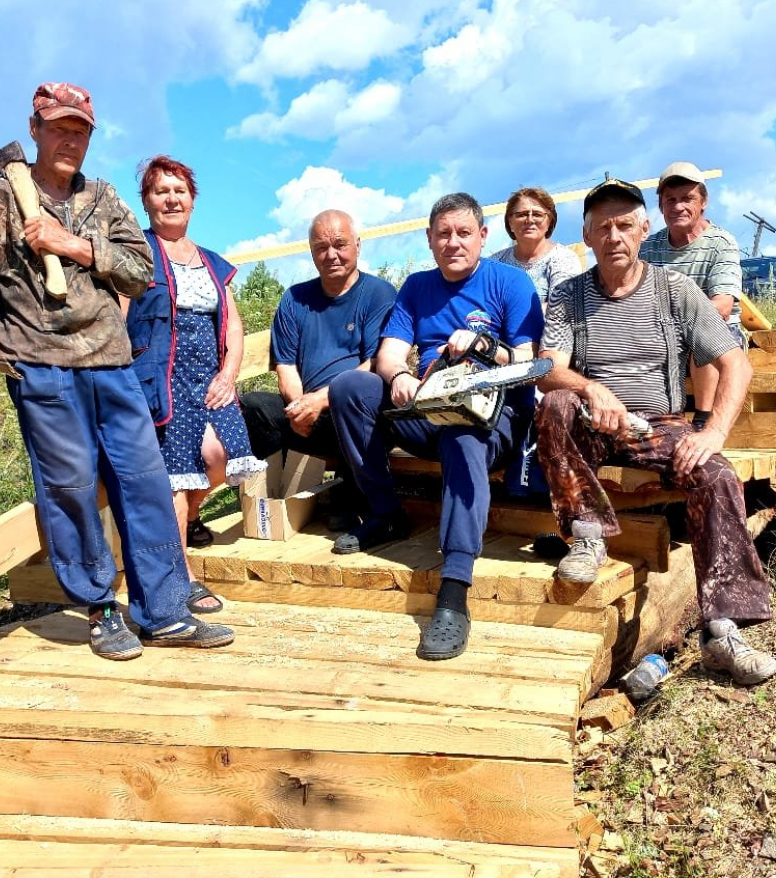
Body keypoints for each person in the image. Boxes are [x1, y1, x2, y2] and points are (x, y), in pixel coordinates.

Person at [0, 82, 233, 659]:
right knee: (70, 488)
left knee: (145, 483)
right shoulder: (1, 199)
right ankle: (99, 609)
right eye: (60, 128)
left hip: (112, 362)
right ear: (36, 129)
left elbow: (141, 270)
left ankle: (165, 610)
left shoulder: (103, 198)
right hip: (42, 366)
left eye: (81, 131)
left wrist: (73, 245)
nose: (71, 139)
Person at [534, 177, 776, 685]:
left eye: (625, 224)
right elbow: (548, 367)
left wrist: (712, 432)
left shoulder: (674, 290)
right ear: (587, 236)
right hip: (595, 424)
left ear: (644, 228)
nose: (614, 235)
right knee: (557, 403)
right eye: (602, 227)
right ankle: (586, 535)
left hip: (659, 424)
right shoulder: (568, 296)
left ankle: (722, 630)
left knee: (716, 475)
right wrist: (591, 390)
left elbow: (736, 364)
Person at [329, 193, 542, 661]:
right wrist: (400, 375)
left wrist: (486, 345)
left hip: (493, 420)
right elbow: (388, 353)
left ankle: (453, 590)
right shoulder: (416, 286)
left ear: (483, 236)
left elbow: (528, 364)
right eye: (443, 234)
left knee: (461, 428)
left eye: (463, 232)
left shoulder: (511, 282)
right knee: (349, 388)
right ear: (429, 240)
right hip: (426, 407)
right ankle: (386, 514)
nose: (453, 242)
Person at [124, 155, 265, 615]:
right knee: (175, 483)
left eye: (179, 190)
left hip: (210, 381)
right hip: (163, 382)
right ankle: (181, 577)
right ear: (146, 202)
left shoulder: (210, 262)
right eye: (161, 191)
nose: (171, 198)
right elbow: (121, 317)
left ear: (192, 200)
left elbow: (235, 328)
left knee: (222, 456)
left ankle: (192, 520)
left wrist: (229, 374)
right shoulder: (138, 257)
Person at [240, 210, 397, 531]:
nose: (331, 255)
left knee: (351, 397)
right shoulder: (296, 299)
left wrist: (320, 402)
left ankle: (351, 492)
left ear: (357, 245)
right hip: (307, 417)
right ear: (312, 252)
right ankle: (278, 497)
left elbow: (373, 364)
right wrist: (299, 408)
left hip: (357, 412)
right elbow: (285, 366)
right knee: (254, 406)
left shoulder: (378, 294)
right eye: (321, 248)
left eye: (340, 244)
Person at [639, 161, 743, 430]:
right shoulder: (648, 247)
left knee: (701, 333)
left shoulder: (721, 243)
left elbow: (721, 306)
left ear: (703, 201)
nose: (678, 207)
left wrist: (672, 322)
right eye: (670, 200)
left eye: (687, 198)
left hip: (719, 334)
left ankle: (702, 419)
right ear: (661, 206)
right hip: (664, 334)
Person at [489, 186, 582, 305]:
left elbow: (562, 307)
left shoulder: (565, 259)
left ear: (550, 222)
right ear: (510, 222)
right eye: (522, 214)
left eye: (537, 214)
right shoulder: (495, 264)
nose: (530, 220)